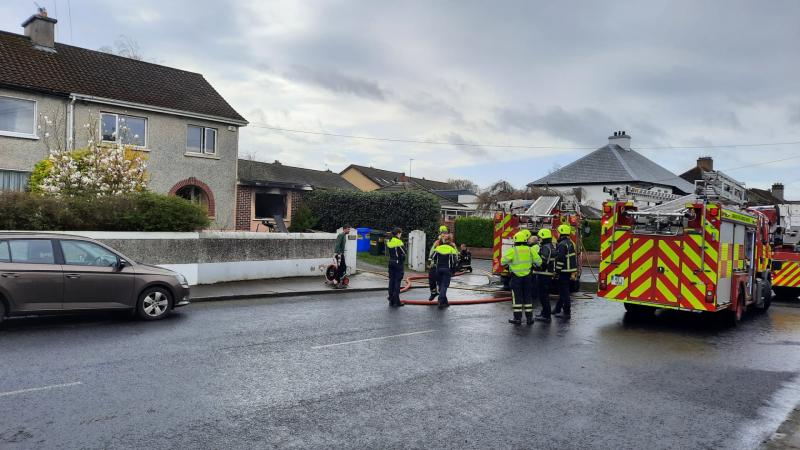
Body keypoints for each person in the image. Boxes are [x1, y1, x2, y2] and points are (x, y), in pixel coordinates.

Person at [502, 230, 540, 324]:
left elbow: (503, 262)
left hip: (516, 278)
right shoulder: (530, 250)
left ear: (515, 241)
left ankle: (517, 318)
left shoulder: (513, 250)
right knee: (528, 297)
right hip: (528, 277)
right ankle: (529, 319)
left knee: (517, 298)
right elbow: (539, 262)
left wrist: (510, 263)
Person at [553, 224, 578, 318]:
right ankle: (557, 309)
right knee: (563, 291)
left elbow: (560, 259)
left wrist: (557, 271)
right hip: (569, 270)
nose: (557, 233)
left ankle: (567, 312)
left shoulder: (562, 245)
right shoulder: (569, 243)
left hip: (564, 271)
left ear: (561, 233)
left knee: (565, 292)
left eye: (558, 232)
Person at [532, 228, 556, 323]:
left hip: (543, 274)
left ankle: (546, 316)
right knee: (543, 295)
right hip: (546, 274)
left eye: (540, 238)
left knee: (543, 296)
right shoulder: (550, 246)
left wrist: (536, 267)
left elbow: (543, 262)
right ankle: (544, 313)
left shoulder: (546, 247)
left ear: (544, 238)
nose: (539, 239)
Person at [431, 236, 459, 309]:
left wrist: (433, 265)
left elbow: (432, 257)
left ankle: (445, 302)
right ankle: (440, 300)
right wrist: (453, 271)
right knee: (444, 286)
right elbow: (454, 262)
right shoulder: (451, 249)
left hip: (438, 269)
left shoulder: (438, 248)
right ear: (450, 241)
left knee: (440, 286)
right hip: (447, 269)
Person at [427, 225, 450, 301]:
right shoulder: (437, 242)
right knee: (431, 280)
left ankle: (442, 298)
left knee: (442, 283)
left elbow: (454, 254)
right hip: (435, 265)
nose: (443, 235)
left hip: (444, 266)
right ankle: (433, 293)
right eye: (442, 233)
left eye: (445, 233)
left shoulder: (450, 243)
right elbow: (432, 253)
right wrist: (430, 262)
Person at [386, 228, 406, 307]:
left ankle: (391, 300)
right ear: (398, 233)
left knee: (391, 281)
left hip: (391, 262)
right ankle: (396, 301)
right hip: (398, 263)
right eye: (400, 234)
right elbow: (404, 252)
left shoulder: (389, 241)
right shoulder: (398, 241)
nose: (401, 235)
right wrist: (402, 257)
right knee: (397, 282)